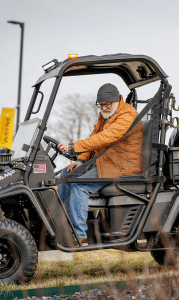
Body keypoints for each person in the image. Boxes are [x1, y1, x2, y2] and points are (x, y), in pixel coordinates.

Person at [57, 83, 143, 243]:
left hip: (122, 165)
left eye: (107, 104)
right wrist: (81, 160)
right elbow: (94, 136)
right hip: (108, 161)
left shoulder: (127, 116)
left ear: (117, 100)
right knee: (65, 175)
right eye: (101, 105)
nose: (103, 108)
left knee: (80, 185)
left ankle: (78, 234)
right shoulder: (107, 114)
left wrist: (73, 146)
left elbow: (104, 138)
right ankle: (59, 224)